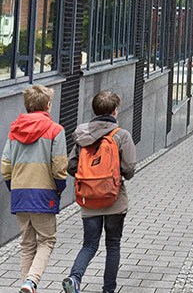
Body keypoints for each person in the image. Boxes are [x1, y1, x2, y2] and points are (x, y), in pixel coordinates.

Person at [62, 91, 136, 293]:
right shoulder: (121, 135)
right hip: (114, 200)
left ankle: (75, 278)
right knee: (113, 245)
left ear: (94, 110)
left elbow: (71, 166)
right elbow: (129, 170)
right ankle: (108, 289)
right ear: (115, 111)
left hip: (89, 200)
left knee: (89, 244)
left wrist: (89, 177)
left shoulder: (82, 135)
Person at [1, 84, 68, 293]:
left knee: (27, 243)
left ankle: (27, 285)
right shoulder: (55, 130)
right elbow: (59, 167)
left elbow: (5, 166)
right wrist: (59, 188)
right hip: (44, 192)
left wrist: (14, 187)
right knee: (47, 241)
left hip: (20, 193)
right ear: (48, 105)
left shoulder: (14, 131)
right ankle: (31, 281)